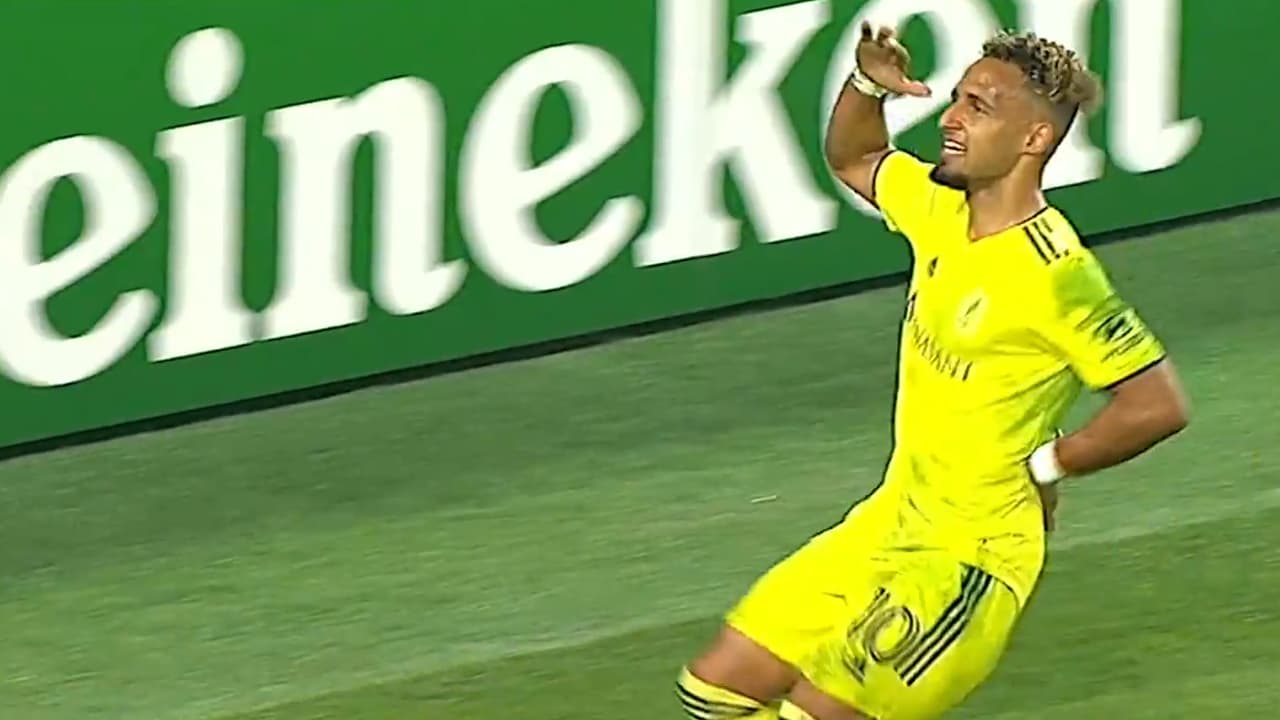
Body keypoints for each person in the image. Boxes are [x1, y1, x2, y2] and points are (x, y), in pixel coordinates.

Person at [674, 23, 1192, 720]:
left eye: (979, 107)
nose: (950, 118)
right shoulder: (940, 207)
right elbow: (857, 156)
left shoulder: (1057, 274)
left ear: (1034, 138)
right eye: (956, 99)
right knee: (716, 690)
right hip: (887, 526)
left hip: (968, 561)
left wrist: (1049, 464)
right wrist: (866, 86)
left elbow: (1156, 403)